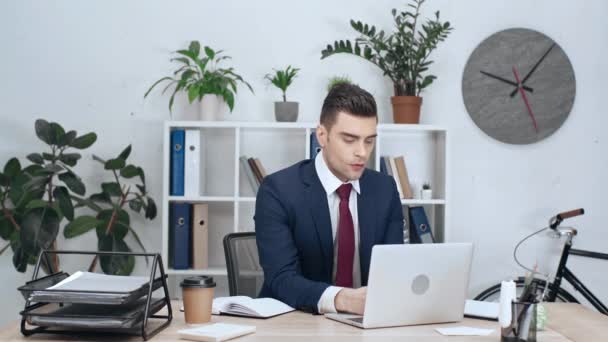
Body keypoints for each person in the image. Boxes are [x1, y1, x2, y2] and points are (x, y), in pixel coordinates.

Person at [254, 83, 404, 315]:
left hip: (366, 324)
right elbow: (281, 279)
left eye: (369, 140)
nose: (362, 152)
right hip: (295, 321)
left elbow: (394, 269)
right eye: (349, 139)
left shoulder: (385, 190)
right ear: (322, 136)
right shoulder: (278, 190)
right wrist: (343, 299)